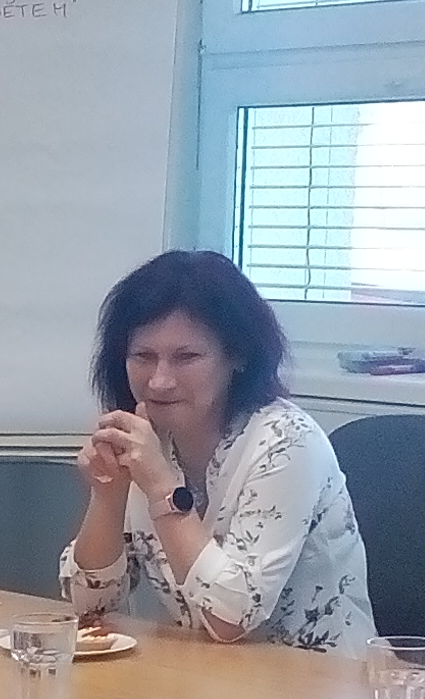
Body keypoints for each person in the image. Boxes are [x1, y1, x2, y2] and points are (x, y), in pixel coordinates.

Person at [60, 250, 375, 652]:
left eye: (186, 357)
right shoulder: (146, 435)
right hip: (210, 673)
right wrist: (108, 494)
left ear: (237, 356)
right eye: (143, 357)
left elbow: (230, 618)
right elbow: (90, 604)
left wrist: (161, 487)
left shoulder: (287, 442)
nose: (159, 381)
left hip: (317, 681)